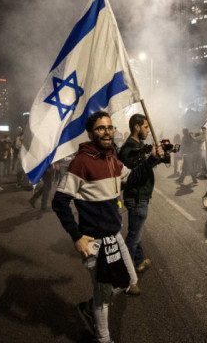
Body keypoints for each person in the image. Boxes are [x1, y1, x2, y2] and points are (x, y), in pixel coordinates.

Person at [52, 111, 163, 343]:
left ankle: (92, 307)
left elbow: (131, 178)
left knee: (130, 280)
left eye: (110, 127)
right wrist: (77, 237)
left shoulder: (112, 157)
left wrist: (152, 159)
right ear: (92, 133)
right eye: (101, 128)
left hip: (114, 235)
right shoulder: (81, 162)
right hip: (93, 240)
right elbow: (59, 201)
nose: (107, 132)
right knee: (103, 294)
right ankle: (103, 338)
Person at [118, 114, 156, 295]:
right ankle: (125, 278)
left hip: (140, 196)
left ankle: (139, 261)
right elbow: (134, 176)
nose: (148, 131)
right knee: (133, 237)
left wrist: (159, 155)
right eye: (146, 127)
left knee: (136, 232)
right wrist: (151, 159)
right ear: (137, 127)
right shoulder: (129, 149)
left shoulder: (139, 146)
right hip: (137, 197)